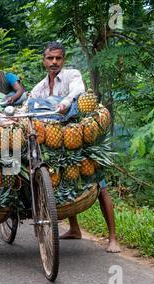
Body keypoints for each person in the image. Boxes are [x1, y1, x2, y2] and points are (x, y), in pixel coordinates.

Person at [31, 41, 120, 253]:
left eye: (58, 58)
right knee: (64, 177)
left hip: (79, 138)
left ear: (63, 59)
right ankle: (74, 228)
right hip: (55, 141)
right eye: (50, 58)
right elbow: (30, 102)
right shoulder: (41, 86)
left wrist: (66, 103)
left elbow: (78, 91)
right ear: (44, 61)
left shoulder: (72, 75)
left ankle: (113, 238)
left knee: (99, 183)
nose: (54, 62)